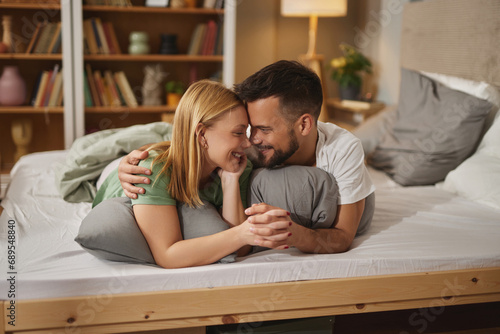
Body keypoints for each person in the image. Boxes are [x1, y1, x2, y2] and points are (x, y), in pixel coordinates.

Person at [119, 61, 375, 255]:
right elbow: (188, 139)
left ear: (304, 125)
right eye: (248, 129)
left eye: (263, 129)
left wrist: (294, 234)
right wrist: (126, 163)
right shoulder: (247, 143)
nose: (251, 140)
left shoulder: (342, 150)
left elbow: (343, 237)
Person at [86, 80, 292, 269]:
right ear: (202, 134)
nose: (247, 144)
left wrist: (231, 182)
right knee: (107, 150)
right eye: (238, 133)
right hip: (114, 176)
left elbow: (240, 249)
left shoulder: (237, 166)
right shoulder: (151, 171)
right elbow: (167, 256)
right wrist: (243, 233)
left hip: (181, 150)